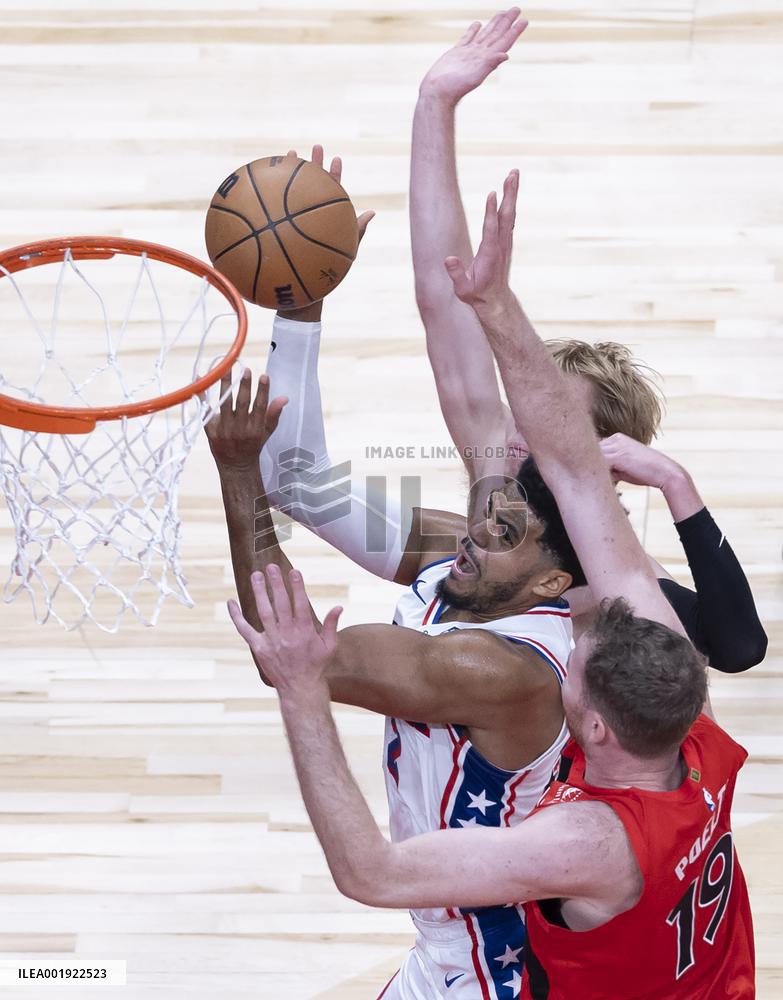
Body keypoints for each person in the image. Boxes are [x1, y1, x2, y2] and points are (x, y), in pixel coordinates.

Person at [227, 174, 756, 999]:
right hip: (478, 945)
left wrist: (235, 480)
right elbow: (302, 481)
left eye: (545, 427)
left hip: (484, 967)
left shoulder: (526, 657)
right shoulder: (524, 557)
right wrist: (301, 306)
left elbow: (297, 665)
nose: (515, 432)